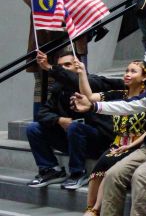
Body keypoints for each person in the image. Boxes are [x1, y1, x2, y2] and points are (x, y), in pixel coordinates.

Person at [69, 59, 146, 215]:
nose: (128, 74)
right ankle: (90, 208)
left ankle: (95, 209)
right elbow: (89, 97)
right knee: (98, 168)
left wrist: (131, 145)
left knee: (110, 169)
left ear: (145, 77)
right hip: (117, 144)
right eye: (127, 71)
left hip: (138, 146)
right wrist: (82, 73)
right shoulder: (118, 94)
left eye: (133, 71)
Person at [26, 50, 112, 190]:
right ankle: (50, 169)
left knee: (74, 127)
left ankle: (78, 173)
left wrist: (50, 68)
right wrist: (59, 120)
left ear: (78, 66)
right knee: (33, 128)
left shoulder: (94, 82)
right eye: (60, 66)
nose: (63, 69)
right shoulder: (59, 89)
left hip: (97, 141)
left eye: (67, 65)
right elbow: (42, 113)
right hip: (72, 141)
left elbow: (74, 80)